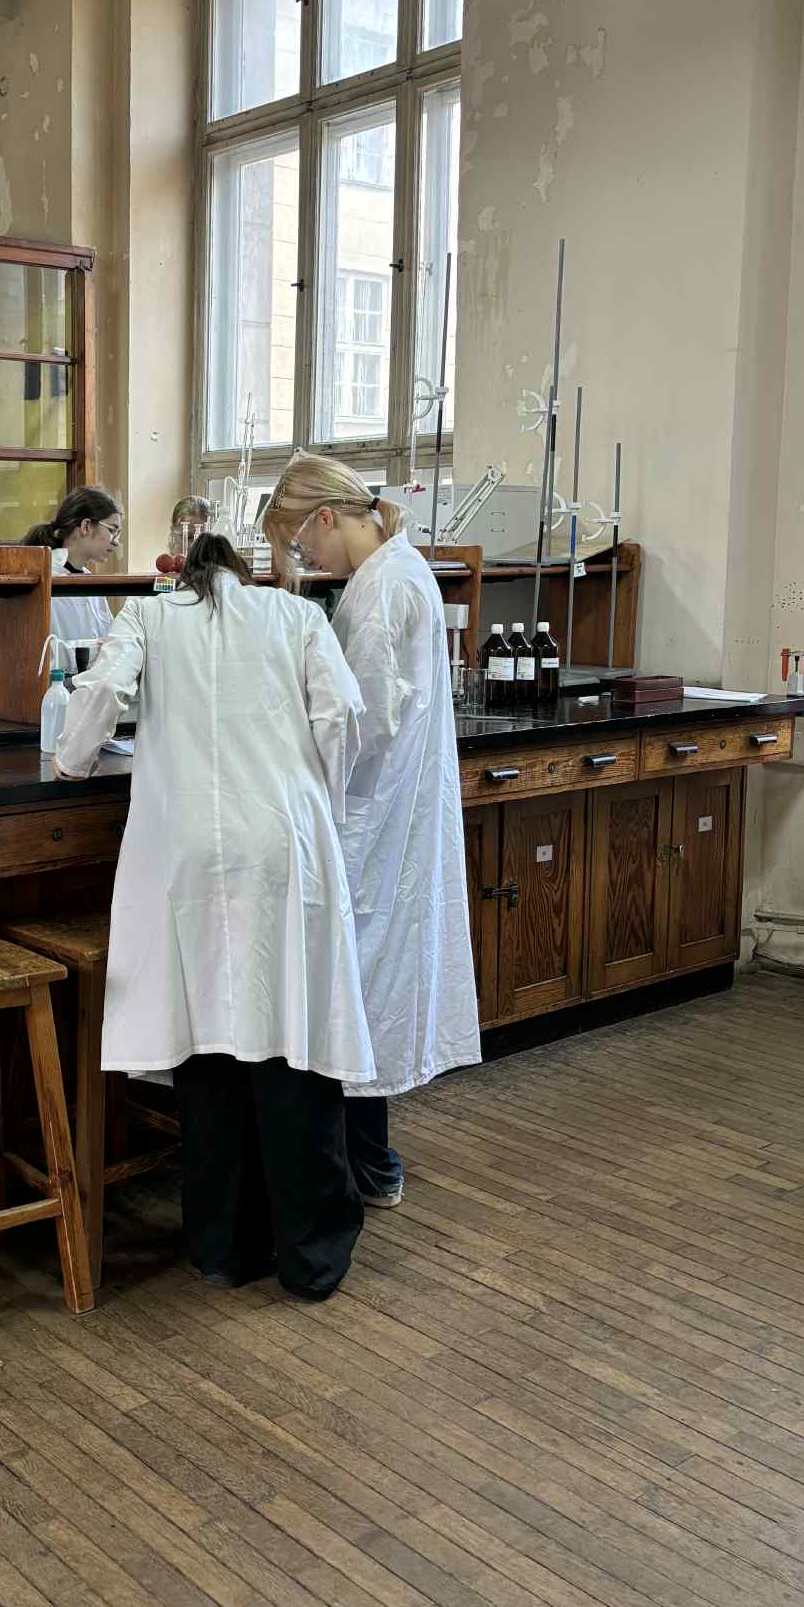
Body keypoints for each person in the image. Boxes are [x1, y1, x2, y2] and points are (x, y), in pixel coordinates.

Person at [52, 530, 375, 1300]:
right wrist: (321, 802)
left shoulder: (149, 616)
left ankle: (224, 1247)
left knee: (207, 1044)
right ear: (242, 572)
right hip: (284, 840)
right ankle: (311, 1257)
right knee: (294, 1039)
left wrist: (71, 760)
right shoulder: (296, 616)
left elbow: (101, 691)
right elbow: (340, 716)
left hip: (188, 848)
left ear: (185, 576)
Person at [263, 452, 481, 1208]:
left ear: (327, 517)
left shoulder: (384, 587)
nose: (307, 559)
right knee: (362, 983)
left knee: (350, 985)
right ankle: (368, 1160)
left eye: (302, 543)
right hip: (389, 813)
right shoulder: (397, 569)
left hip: (372, 816)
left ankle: (362, 1164)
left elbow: (363, 721)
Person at [24, 487, 122, 664]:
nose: (116, 542)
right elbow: (37, 653)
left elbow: (109, 640)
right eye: (112, 530)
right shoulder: (41, 577)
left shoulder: (92, 582)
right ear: (86, 526)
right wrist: (98, 649)